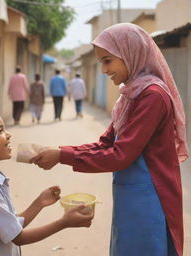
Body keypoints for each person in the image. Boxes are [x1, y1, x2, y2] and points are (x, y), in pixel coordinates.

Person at [30, 23, 189, 256]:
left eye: (108, 60)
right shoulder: (131, 95)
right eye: (101, 62)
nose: (104, 70)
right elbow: (106, 143)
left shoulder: (152, 96)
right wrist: (59, 151)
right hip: (132, 194)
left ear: (129, 54)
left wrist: (62, 156)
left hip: (150, 197)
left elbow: (120, 154)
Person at [0, 99, 94, 256]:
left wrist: (39, 202)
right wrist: (64, 222)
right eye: (0, 131)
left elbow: (11, 225)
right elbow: (18, 237)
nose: (8, 135)